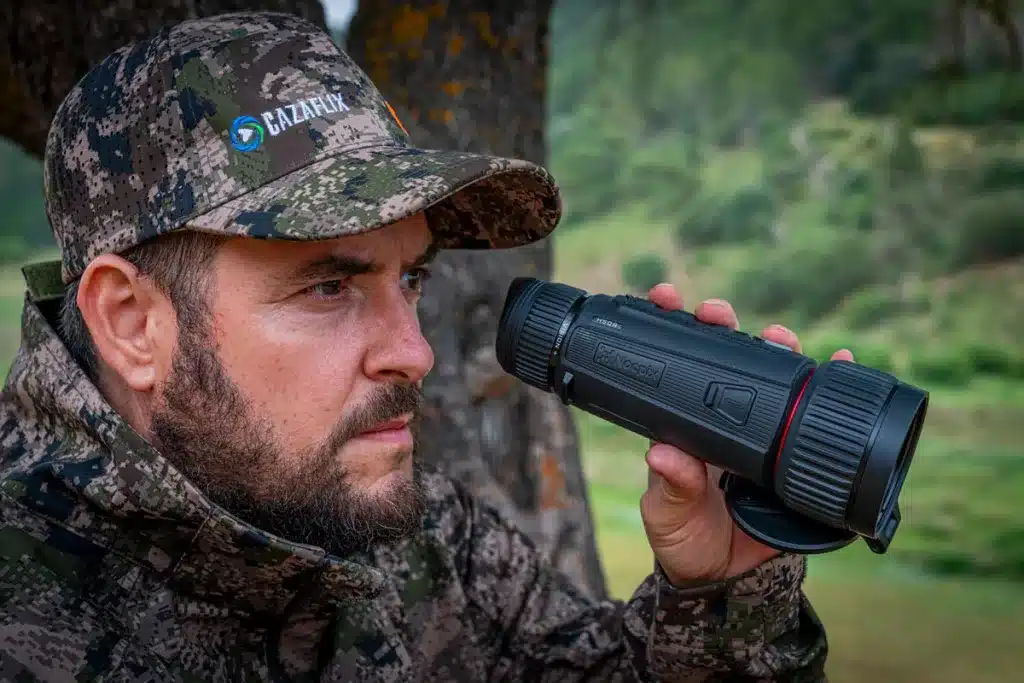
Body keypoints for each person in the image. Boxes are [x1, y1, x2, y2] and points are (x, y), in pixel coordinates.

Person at [0, 11, 845, 682]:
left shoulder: (418, 534)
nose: (414, 353)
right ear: (131, 323)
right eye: (329, 287)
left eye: (411, 278)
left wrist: (723, 594)